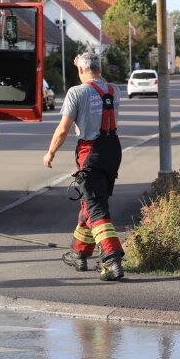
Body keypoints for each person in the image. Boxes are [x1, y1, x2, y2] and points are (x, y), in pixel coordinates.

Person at [43, 50, 124, 281]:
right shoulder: (113, 89)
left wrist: (50, 153)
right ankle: (79, 253)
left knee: (97, 208)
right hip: (113, 151)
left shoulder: (76, 92)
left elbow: (63, 129)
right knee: (92, 202)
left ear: (80, 70)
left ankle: (112, 259)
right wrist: (84, 62)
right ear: (101, 69)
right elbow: (98, 83)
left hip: (91, 153)